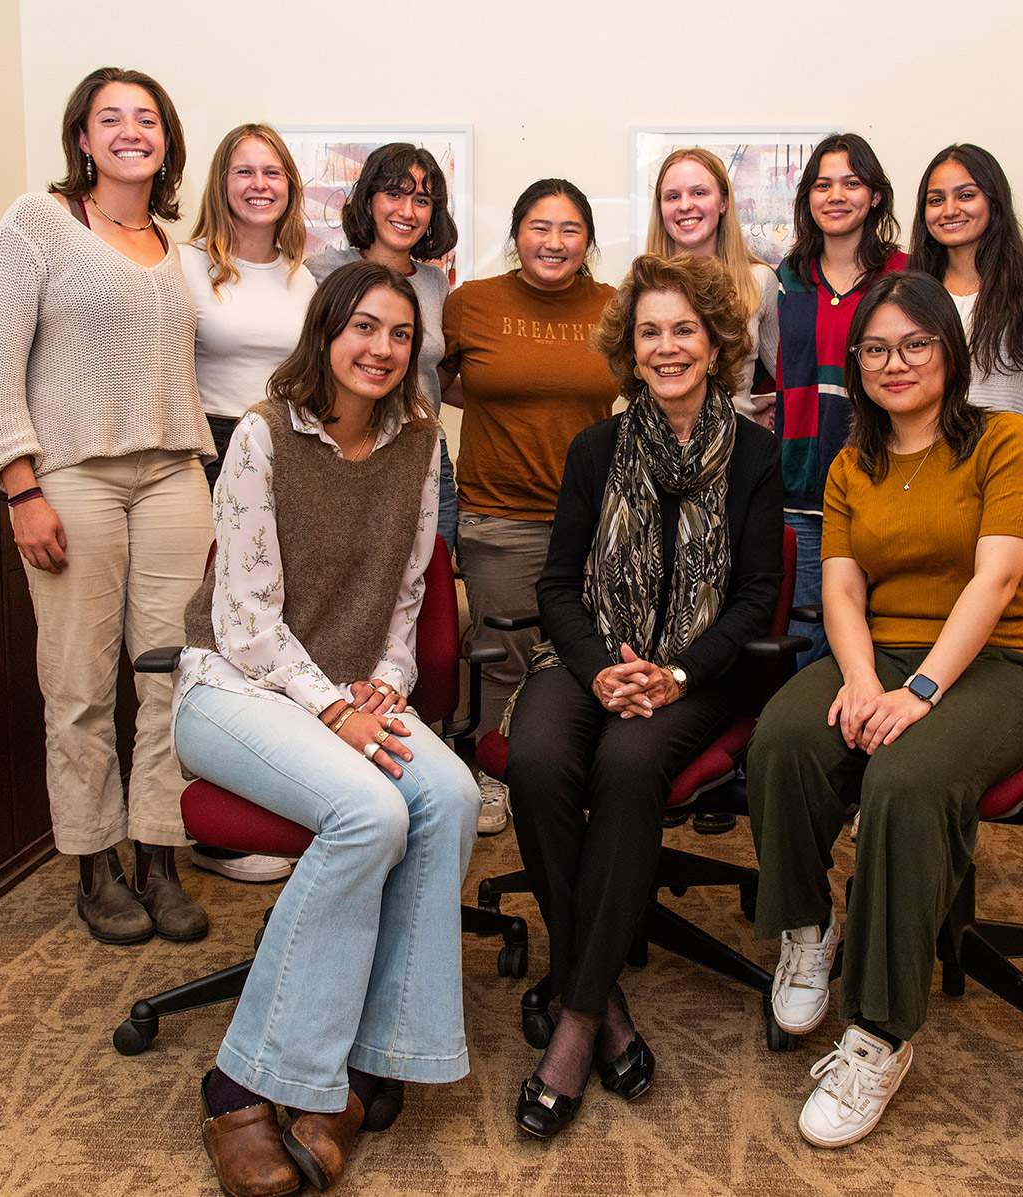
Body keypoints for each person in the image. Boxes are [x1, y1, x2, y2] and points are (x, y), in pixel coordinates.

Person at [174, 260, 479, 1197]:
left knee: (452, 795)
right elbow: (248, 623)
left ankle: (368, 1058)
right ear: (326, 331)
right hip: (234, 687)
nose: (382, 348)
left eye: (399, 334)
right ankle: (242, 1080)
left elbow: (405, 597)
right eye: (364, 328)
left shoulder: (421, 445)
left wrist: (384, 686)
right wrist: (335, 708)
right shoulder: (263, 435)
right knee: (370, 815)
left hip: (348, 688)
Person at [747, 270, 1023, 1148]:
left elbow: (996, 580)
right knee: (781, 739)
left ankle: (878, 1031)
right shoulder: (853, 462)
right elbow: (841, 590)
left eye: (914, 344)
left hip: (999, 662)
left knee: (905, 779)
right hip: (881, 650)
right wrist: (858, 681)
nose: (895, 362)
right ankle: (807, 925)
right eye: (875, 349)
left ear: (948, 353)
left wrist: (919, 692)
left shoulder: (1005, 441)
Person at [505, 253, 783, 1139]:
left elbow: (753, 597)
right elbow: (556, 584)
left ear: (714, 342)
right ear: (631, 347)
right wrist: (599, 667)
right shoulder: (595, 448)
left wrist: (676, 672)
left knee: (627, 766)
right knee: (537, 755)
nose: (665, 347)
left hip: (698, 674)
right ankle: (608, 996)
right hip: (593, 657)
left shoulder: (756, 455)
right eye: (649, 331)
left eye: (683, 330)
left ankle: (579, 1016)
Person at [0, 66, 213, 946]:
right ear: (82, 137)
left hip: (174, 475)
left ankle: (158, 851)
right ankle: (92, 859)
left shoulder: (174, 246)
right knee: (76, 682)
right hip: (73, 476)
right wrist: (20, 488)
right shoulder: (38, 224)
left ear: (166, 139)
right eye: (110, 118)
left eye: (146, 117)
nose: (130, 130)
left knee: (173, 678)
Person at [441, 179, 619, 834]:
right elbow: (433, 387)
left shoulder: (616, 306)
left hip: (597, 521)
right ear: (516, 234)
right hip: (497, 511)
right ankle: (495, 771)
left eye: (569, 228)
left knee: (585, 652)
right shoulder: (470, 304)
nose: (553, 241)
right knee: (504, 651)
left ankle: (585, 769)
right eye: (539, 227)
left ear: (588, 240)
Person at [178, 122, 317, 886]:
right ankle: (216, 826)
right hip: (210, 449)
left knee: (276, 619)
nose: (259, 184)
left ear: (291, 186)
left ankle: (272, 796)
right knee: (219, 623)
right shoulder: (186, 266)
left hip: (287, 450)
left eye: (273, 172)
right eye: (243, 170)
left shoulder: (307, 276)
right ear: (221, 183)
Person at [775, 133, 907, 664]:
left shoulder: (902, 274)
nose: (836, 195)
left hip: (880, 480)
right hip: (801, 487)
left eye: (851, 183)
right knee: (806, 641)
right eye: (823, 184)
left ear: (874, 196)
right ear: (808, 197)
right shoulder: (787, 277)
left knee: (881, 635)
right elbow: (770, 365)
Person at [309, 142, 460, 550]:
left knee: (429, 593)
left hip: (424, 454)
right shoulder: (322, 272)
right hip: (341, 454)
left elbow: (435, 376)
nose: (407, 211)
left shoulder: (435, 284)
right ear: (368, 200)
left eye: (422, 199)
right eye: (394, 193)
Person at [907, 143, 1023, 449]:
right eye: (936, 200)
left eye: (966, 195)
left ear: (994, 201)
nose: (950, 210)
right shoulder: (912, 292)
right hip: (933, 478)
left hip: (1021, 475)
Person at [646, 147, 781, 425]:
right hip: (657, 447)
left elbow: (788, 377)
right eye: (673, 196)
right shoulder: (643, 287)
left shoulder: (759, 281)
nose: (685, 205)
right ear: (661, 209)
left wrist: (751, 406)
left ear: (723, 203)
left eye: (698, 193)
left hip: (736, 447)